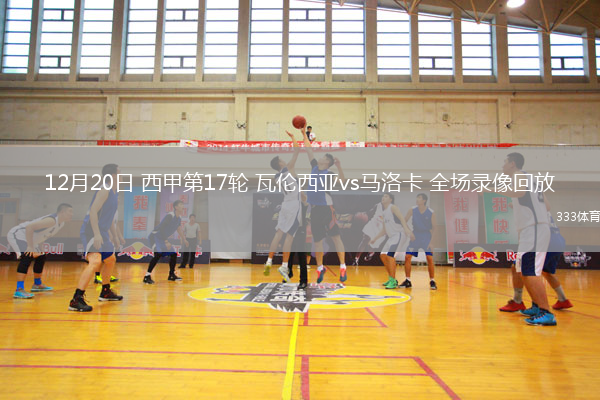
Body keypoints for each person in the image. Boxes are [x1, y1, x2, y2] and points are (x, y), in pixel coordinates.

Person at [496, 152, 555, 326]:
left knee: (530, 271)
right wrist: (517, 205)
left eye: (505, 162)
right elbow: (547, 205)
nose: (503, 165)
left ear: (512, 164)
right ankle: (536, 306)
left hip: (534, 228)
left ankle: (546, 313)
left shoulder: (518, 176)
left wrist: (493, 189)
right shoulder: (531, 179)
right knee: (521, 269)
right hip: (532, 228)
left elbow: (519, 192)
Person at [69, 164, 123, 312]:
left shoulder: (114, 192)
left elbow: (109, 218)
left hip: (102, 231)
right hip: (92, 230)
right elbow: (93, 211)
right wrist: (97, 233)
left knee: (110, 259)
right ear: (112, 175)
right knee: (95, 261)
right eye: (119, 172)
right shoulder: (104, 189)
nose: (121, 175)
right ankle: (76, 299)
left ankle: (105, 291)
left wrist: (114, 236)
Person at [301, 125, 347, 283]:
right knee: (317, 240)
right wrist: (303, 134)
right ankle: (320, 268)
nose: (320, 158)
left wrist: (339, 166)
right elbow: (308, 149)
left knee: (336, 238)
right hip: (314, 210)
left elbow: (342, 182)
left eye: (324, 158)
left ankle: (343, 266)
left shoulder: (329, 173)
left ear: (327, 162)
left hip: (327, 209)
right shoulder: (314, 167)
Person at [9, 203, 73, 299]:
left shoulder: (61, 223)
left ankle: (37, 284)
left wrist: (41, 248)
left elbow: (43, 235)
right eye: (70, 212)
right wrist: (30, 247)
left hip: (30, 238)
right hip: (18, 235)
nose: (72, 214)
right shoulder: (51, 220)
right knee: (27, 256)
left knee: (41, 256)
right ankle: (19, 289)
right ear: (62, 212)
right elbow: (29, 227)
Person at [264, 131, 301, 279]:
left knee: (278, 233)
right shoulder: (289, 168)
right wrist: (293, 137)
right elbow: (297, 150)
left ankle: (269, 261)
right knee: (290, 236)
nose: (284, 160)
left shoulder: (276, 177)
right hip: (293, 206)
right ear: (280, 163)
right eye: (282, 159)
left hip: (285, 204)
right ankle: (284, 266)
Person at [369, 193, 412, 289]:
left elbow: (402, 219)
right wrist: (375, 238)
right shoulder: (384, 212)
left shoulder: (393, 207)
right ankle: (392, 278)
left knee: (390, 256)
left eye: (386, 196)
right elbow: (384, 230)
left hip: (399, 234)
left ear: (391, 199)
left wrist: (406, 229)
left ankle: (393, 281)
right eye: (383, 196)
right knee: (383, 255)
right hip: (392, 237)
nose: (383, 198)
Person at [400, 193, 437, 290]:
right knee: (407, 257)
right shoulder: (412, 210)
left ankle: (432, 281)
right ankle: (408, 280)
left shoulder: (431, 212)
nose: (417, 199)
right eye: (417, 198)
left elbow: (434, 228)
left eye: (419, 198)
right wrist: (409, 232)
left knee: (429, 258)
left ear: (424, 200)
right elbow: (404, 221)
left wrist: (432, 242)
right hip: (415, 236)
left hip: (426, 236)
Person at [143, 200, 187, 284]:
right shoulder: (170, 215)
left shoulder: (179, 218)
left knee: (173, 254)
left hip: (162, 238)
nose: (183, 206)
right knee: (158, 254)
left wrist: (183, 238)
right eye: (181, 204)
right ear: (176, 207)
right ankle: (146, 276)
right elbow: (162, 228)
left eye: (183, 204)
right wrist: (166, 241)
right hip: (155, 237)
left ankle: (171, 275)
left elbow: (178, 228)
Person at [353, 200, 385, 266]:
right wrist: (363, 214)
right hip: (372, 224)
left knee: (372, 245)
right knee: (364, 240)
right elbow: (370, 212)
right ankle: (356, 259)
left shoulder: (392, 210)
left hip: (381, 229)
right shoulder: (378, 205)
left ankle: (371, 253)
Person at [94, 211, 123, 284]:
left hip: (110, 236)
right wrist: (110, 235)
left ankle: (107, 275)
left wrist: (119, 236)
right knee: (101, 257)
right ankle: (97, 276)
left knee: (109, 259)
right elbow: (106, 224)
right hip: (104, 236)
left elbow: (116, 225)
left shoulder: (115, 211)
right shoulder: (106, 209)